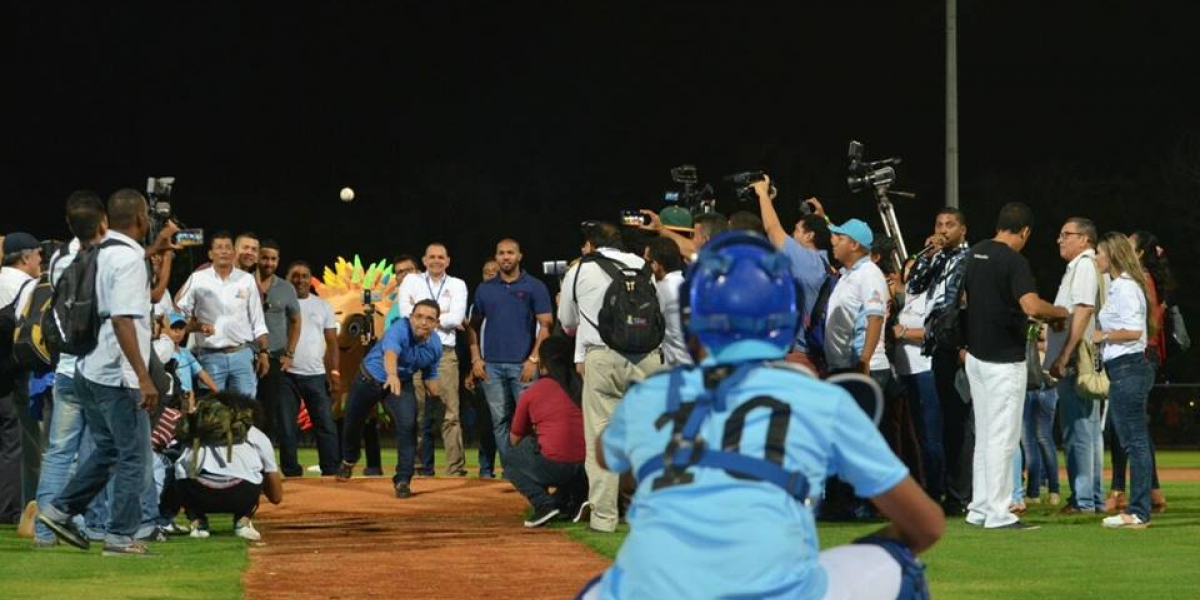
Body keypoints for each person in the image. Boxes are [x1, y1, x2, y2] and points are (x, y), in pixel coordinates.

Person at [580, 231, 943, 600]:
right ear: (786, 322)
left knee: (600, 589)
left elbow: (608, 458)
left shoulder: (653, 393)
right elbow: (927, 525)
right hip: (773, 592)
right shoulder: (818, 399)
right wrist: (876, 543)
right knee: (899, 567)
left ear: (692, 323)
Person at [38, 189, 172, 556]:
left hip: (86, 368)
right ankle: (119, 536)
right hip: (118, 374)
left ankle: (59, 510)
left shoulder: (90, 251)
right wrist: (143, 377)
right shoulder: (125, 258)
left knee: (109, 449)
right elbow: (123, 318)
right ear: (142, 219)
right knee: (134, 457)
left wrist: (154, 251)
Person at [961, 202, 1067, 530]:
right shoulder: (1014, 260)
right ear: (1024, 232)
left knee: (984, 437)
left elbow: (964, 300)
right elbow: (1031, 305)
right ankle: (998, 512)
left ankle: (979, 508)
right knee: (1004, 439)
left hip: (975, 358)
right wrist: (1061, 312)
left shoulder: (974, 253)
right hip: (1003, 361)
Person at [557, 221, 663, 533]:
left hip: (602, 356)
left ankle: (604, 518)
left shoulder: (579, 269)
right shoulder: (641, 266)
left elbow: (566, 321)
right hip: (647, 357)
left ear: (590, 245)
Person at [31, 192, 107, 547]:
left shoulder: (58, 258)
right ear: (102, 220)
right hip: (94, 368)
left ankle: (45, 531)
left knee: (59, 451)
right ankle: (93, 524)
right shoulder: (105, 256)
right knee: (97, 449)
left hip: (65, 368)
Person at [337, 299, 443, 499]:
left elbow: (430, 373)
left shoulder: (435, 345)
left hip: (400, 385)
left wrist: (437, 395)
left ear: (436, 324)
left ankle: (403, 479)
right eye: (419, 316)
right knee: (352, 422)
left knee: (408, 426)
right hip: (369, 379)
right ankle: (349, 459)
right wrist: (392, 374)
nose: (423, 322)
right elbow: (391, 353)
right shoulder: (399, 328)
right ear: (411, 317)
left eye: (430, 319)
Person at [905, 207, 972, 514]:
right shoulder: (939, 257)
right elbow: (914, 285)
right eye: (939, 224)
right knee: (946, 424)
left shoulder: (967, 259)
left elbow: (961, 302)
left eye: (949, 225)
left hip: (959, 345)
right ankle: (949, 491)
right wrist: (929, 254)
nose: (943, 230)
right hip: (938, 348)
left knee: (960, 423)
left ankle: (961, 495)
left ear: (962, 231)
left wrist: (963, 343)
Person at [468, 239, 554, 466]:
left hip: (523, 365)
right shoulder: (485, 289)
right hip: (492, 368)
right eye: (501, 253)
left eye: (510, 253)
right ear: (496, 257)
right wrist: (476, 358)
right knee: (500, 421)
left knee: (530, 420)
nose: (505, 257)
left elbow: (546, 326)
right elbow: (473, 326)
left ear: (519, 256)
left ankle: (534, 468)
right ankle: (512, 471)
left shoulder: (534, 286)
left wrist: (533, 359)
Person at [1093, 233, 1156, 529]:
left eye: (1100, 253)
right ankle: (1138, 509)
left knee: (1135, 442)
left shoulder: (1125, 287)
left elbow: (1133, 331)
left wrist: (1101, 336)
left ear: (1113, 256)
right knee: (1133, 441)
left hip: (1128, 369)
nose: (1096, 258)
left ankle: (1138, 511)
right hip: (1123, 370)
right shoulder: (1121, 286)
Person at [1045, 218, 1105, 515]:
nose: (1060, 240)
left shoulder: (1083, 265)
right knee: (1089, 429)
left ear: (1085, 239)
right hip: (1084, 355)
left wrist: (1064, 354)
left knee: (1078, 428)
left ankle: (1083, 500)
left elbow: (1083, 309)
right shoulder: (1086, 265)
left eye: (1065, 234)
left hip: (1076, 357)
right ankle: (1092, 498)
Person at [397, 243, 469, 476]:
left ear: (448, 261)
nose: (436, 261)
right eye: (432, 257)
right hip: (416, 353)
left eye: (441, 257)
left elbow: (458, 317)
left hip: (445, 355)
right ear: (424, 260)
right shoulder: (412, 281)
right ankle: (420, 468)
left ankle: (455, 470)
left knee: (450, 414)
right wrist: (443, 318)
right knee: (417, 415)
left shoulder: (457, 284)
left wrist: (422, 318)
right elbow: (403, 314)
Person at [174, 392, 283, 540]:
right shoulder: (253, 432)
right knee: (257, 472)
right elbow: (275, 493)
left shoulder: (195, 429)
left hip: (196, 493)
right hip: (241, 494)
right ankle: (242, 522)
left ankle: (198, 522)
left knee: (179, 472)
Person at [175, 231, 271, 397]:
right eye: (219, 248)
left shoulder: (247, 280)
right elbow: (178, 313)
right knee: (213, 413)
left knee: (245, 413)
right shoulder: (198, 278)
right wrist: (197, 326)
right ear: (210, 254)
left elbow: (258, 322)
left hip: (241, 355)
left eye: (228, 247)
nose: (224, 251)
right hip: (209, 357)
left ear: (233, 252)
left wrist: (264, 352)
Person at [505, 336, 587, 527]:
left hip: (556, 467)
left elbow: (515, 438)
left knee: (511, 458)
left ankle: (544, 504)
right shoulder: (585, 386)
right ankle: (575, 498)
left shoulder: (533, 392)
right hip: (589, 468)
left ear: (543, 363)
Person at [279, 261, 341, 477]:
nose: (300, 280)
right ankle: (291, 472)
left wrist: (334, 373)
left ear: (310, 279)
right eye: (295, 275)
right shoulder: (279, 304)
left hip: (315, 375)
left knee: (325, 424)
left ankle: (331, 470)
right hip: (286, 374)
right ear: (287, 278)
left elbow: (332, 342)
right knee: (287, 427)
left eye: (305, 275)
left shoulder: (323, 306)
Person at [0, 231, 42, 524]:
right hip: (10, 375)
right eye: (38, 254)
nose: (41, 259)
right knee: (13, 443)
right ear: (26, 257)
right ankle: (11, 509)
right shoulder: (29, 285)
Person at [255, 239, 302, 441]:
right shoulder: (244, 282)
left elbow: (296, 321)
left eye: (273, 259)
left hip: (274, 357)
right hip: (246, 354)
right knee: (245, 407)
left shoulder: (286, 288)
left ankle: (263, 463)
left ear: (278, 261)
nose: (269, 263)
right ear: (257, 257)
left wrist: (289, 353)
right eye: (265, 258)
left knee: (268, 412)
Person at [644, 237, 690, 367]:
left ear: (656, 265)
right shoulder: (687, 285)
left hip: (677, 365)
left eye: (647, 262)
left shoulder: (662, 290)